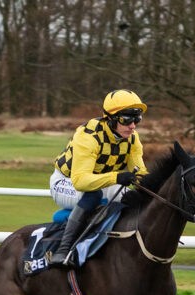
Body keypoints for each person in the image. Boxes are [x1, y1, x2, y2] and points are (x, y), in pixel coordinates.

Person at [48, 89, 149, 267]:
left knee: (132, 200)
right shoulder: (88, 137)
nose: (133, 126)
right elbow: (81, 181)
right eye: (127, 119)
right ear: (110, 118)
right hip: (67, 182)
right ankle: (63, 251)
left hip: (100, 183)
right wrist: (117, 177)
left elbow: (140, 174)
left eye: (137, 119)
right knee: (93, 195)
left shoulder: (133, 139)